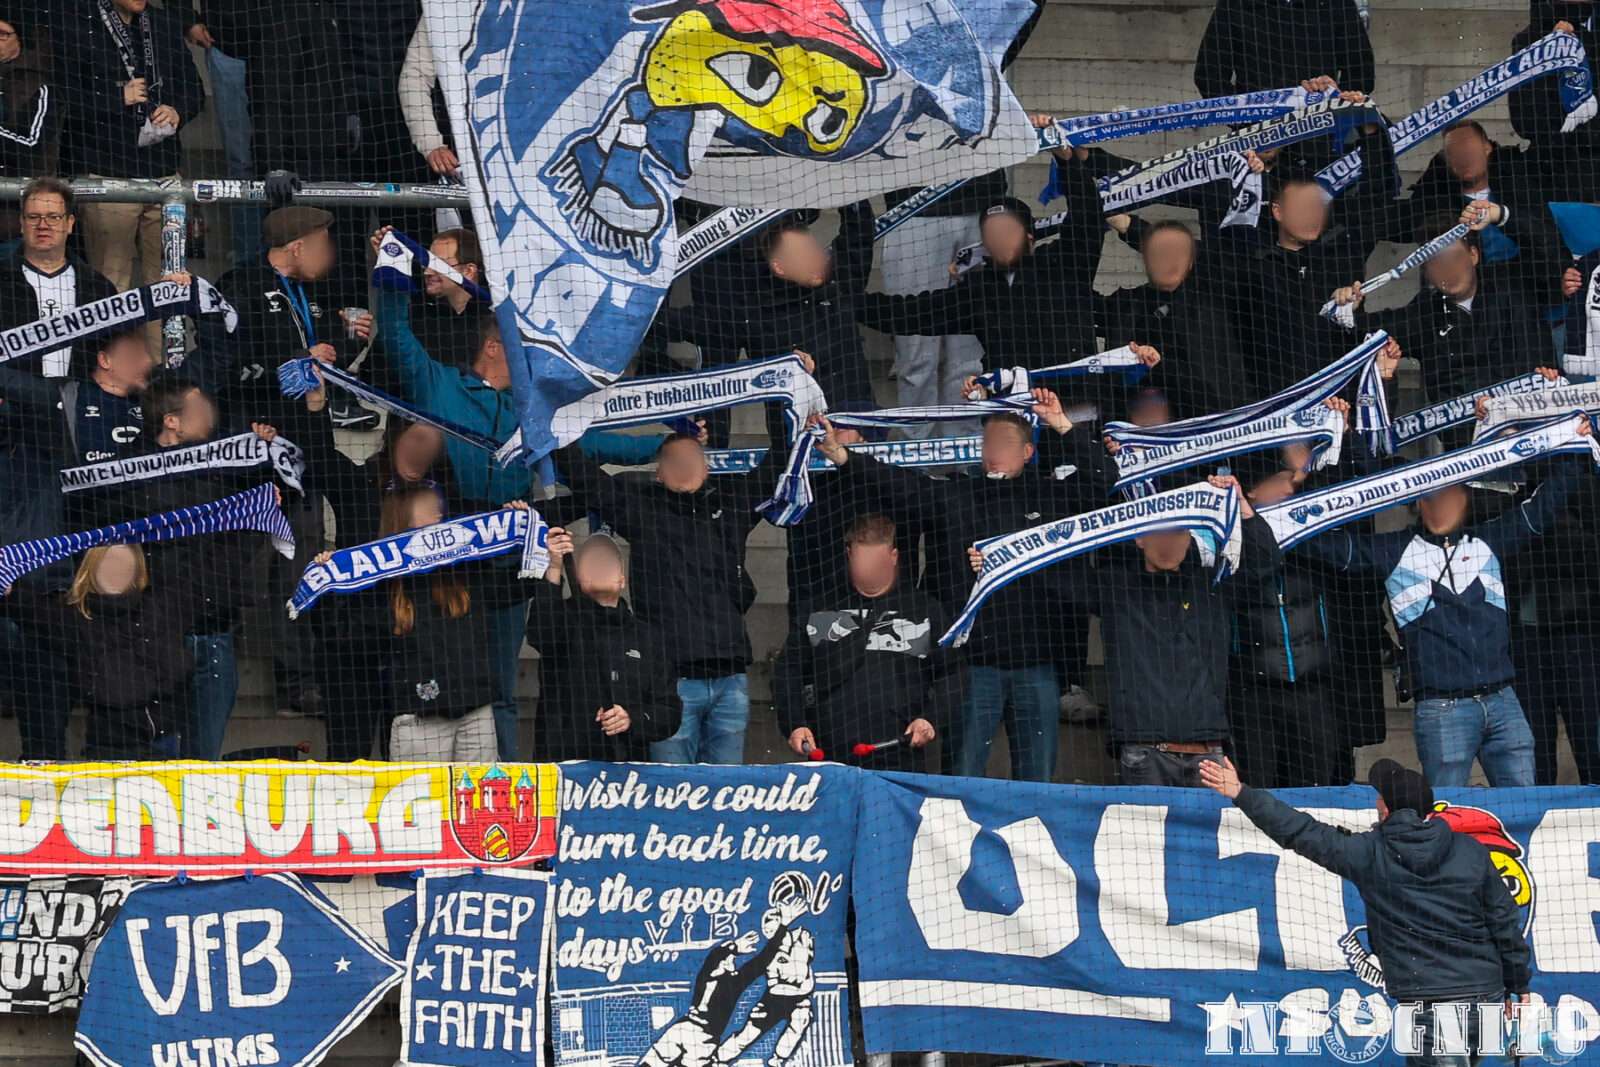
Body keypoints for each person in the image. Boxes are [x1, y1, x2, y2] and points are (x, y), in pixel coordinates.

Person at [834, 389, 1116, 782]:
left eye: (1004, 443)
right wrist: (843, 457)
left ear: (1028, 452)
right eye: (987, 441)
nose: (993, 449)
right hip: (972, 668)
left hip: (1037, 667)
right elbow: (900, 485)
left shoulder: (1053, 497)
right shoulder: (956, 494)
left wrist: (1061, 423)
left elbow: (1105, 480)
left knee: (1038, 784)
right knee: (960, 779)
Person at [1294, 438, 1589, 787]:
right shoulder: (1393, 550)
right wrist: (1281, 508)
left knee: (1525, 809)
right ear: (1417, 502)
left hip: (1504, 701)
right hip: (1441, 709)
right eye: (1430, 499)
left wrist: (1574, 443)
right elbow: (1320, 542)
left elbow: (1547, 503)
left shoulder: (1491, 541)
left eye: (1448, 498)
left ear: (1464, 501)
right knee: (1448, 812)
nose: (1438, 508)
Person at [1201, 756, 1532, 1067]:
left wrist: (1241, 793)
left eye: (1379, 796)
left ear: (1385, 809)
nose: (1375, 800)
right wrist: (1518, 986)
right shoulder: (1470, 849)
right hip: (1485, 997)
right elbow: (1504, 924)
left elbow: (1299, 831)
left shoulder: (1367, 853)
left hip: (1429, 1005)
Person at [551, 403, 796, 765]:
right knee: (668, 789)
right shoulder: (641, 512)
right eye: (674, 460)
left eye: (691, 458)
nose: (684, 466)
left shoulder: (733, 506)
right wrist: (551, 422)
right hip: (670, 684)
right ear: (658, 474)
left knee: (725, 791)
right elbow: (586, 480)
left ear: (708, 467)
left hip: (731, 680)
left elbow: (780, 461)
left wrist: (787, 394)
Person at [1036, 475, 1281, 786]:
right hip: (1143, 752)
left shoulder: (1213, 586)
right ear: (1139, 539)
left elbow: (1265, 563)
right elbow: (1055, 569)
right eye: (1157, 533)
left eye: (1176, 533)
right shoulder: (1114, 587)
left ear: (1189, 539)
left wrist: (1241, 504)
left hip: (1207, 753)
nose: (1167, 542)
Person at [0, 494, 273, 760]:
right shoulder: (75, 621)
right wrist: (8, 585)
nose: (115, 570)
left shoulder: (166, 605)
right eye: (108, 563)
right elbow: (30, 609)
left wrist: (255, 520)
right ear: (91, 570)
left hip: (166, 747)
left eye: (123, 563)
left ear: (138, 567)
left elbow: (215, 572)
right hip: (108, 754)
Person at [858, 136, 1106, 380]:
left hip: (1074, 402)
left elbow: (1088, 217)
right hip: (1009, 408)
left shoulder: (1065, 265)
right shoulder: (979, 291)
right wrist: (845, 301)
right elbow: (908, 314)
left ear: (1029, 234)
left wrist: (1067, 162)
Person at [328, 490, 539, 762]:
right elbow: (343, 635)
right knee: (420, 804)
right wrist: (329, 583)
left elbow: (512, 589)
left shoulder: (464, 569)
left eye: (439, 507)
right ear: (401, 518)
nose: (438, 512)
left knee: (473, 803)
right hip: (417, 719)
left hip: (476, 713)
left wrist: (521, 534)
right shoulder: (382, 585)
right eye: (426, 508)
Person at [1335, 209, 1560, 450]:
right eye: (1436, 262)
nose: (1448, 270)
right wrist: (1348, 308)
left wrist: (1502, 215)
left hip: (1541, 431)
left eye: (1454, 257)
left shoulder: (1513, 281)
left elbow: (1550, 252)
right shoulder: (1425, 312)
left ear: (1473, 255)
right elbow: (1365, 334)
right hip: (1469, 450)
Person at [775, 514, 964, 771]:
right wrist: (795, 723)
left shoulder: (923, 607)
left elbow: (953, 673)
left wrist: (931, 720)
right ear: (850, 554)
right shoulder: (819, 607)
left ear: (894, 557)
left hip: (899, 752)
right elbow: (789, 670)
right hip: (829, 754)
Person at [53, 0, 203, 296]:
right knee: (110, 287)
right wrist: (116, 95)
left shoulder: (163, 24)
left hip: (164, 174)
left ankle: (160, 345)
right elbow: (61, 101)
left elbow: (194, 89)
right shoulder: (74, 23)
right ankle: (110, 345)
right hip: (107, 176)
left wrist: (178, 112)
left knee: (167, 287)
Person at [1228, 449, 1346, 787]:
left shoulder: (1314, 531)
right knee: (1258, 789)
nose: (1289, 490)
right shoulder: (1229, 540)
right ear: (1251, 491)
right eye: (1279, 482)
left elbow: (1351, 489)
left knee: (1316, 789)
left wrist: (1343, 437)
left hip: (1313, 689)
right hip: (1253, 694)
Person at [525, 527, 680, 761]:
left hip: (626, 773)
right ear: (579, 577)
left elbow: (669, 712)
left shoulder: (648, 636)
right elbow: (539, 633)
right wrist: (554, 565)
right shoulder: (563, 619)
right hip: (563, 767)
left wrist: (632, 719)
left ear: (622, 580)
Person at [1098, 219, 1243, 418]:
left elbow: (1219, 259)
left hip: (1207, 426)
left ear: (1192, 261)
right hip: (1133, 434)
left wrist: (1129, 225)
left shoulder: (1213, 298)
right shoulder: (1124, 305)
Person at [0, 178, 117, 380]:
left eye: (53, 217)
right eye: (34, 217)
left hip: (80, 404)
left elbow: (116, 353)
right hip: (12, 404)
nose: (43, 226)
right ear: (21, 223)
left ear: (69, 223)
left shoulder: (98, 287)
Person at [186, 5, 262, 268]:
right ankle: (250, 266)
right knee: (242, 162)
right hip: (230, 47)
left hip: (296, 46)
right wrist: (188, 17)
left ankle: (289, 260)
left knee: (291, 157)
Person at [1193, 0, 1375, 98]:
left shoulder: (1336, 4)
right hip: (1256, 144)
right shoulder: (1236, 4)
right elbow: (1209, 75)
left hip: (1320, 139)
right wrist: (1246, 120)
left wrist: (1335, 100)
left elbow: (1362, 74)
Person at [0, 14, 61, 243]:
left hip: (13, 221)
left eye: (2, 34)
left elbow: (29, 147)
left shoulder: (39, 86)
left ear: (20, 39)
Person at [411, 227, 487, 371]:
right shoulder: (415, 317)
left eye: (438, 265)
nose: (427, 272)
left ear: (469, 271)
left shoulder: (494, 323)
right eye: (427, 263)